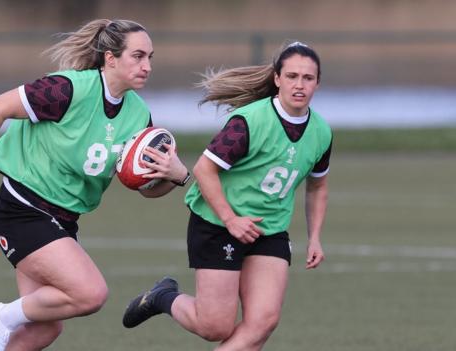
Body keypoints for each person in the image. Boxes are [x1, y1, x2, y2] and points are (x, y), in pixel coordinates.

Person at [0, 19, 190, 351]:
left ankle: (1, 325)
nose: (147, 66)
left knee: (44, 330)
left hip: (64, 220)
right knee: (90, 293)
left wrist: (176, 175)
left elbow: (144, 188)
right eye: (138, 56)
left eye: (150, 57)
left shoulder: (139, 116)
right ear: (110, 58)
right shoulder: (68, 89)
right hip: (23, 208)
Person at [122, 41, 332, 351]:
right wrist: (231, 219)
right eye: (292, 76)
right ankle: (162, 297)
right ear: (277, 79)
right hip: (218, 223)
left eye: (308, 78)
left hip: (268, 228)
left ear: (317, 83)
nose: (299, 85)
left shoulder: (322, 132)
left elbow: (317, 186)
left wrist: (315, 237)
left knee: (262, 323)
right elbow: (204, 170)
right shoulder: (249, 122)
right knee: (214, 326)